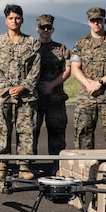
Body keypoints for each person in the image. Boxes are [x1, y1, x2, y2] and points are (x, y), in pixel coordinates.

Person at [0, 4, 41, 180]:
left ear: (22, 20)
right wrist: (7, 88)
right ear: (6, 21)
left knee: (26, 131)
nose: (14, 21)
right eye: (11, 18)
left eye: (17, 18)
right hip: (4, 96)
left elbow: (35, 69)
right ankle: (1, 165)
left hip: (26, 96)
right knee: (1, 131)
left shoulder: (32, 43)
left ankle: (24, 166)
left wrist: (23, 87)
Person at [69, 6, 106, 152]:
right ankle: (85, 165)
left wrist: (99, 83)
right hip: (87, 96)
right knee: (83, 135)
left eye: (99, 20)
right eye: (93, 20)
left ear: (104, 21)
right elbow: (75, 68)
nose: (96, 23)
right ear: (88, 22)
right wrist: (87, 84)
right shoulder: (80, 44)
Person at [34, 14, 71, 170]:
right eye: (42, 27)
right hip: (34, 99)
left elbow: (67, 70)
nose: (45, 30)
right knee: (30, 134)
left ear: (53, 29)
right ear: (37, 29)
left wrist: (51, 84)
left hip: (55, 99)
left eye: (48, 28)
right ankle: (28, 167)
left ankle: (58, 167)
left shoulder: (61, 49)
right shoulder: (31, 47)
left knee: (57, 135)